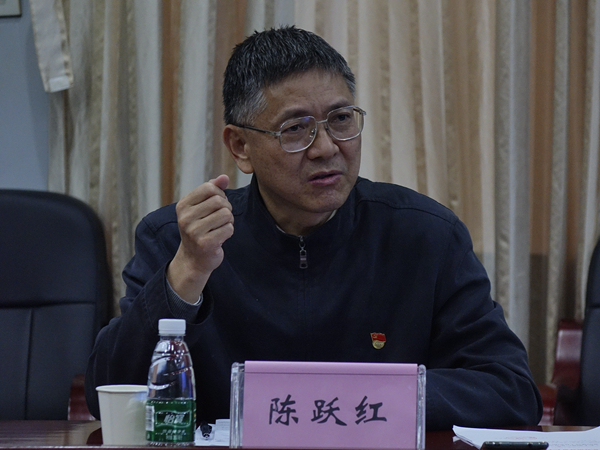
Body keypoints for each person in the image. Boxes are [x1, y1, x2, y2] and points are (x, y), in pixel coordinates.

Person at [85, 26, 542, 430]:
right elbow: (108, 392)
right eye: (295, 129)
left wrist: (359, 401)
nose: (326, 148)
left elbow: (509, 389)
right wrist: (186, 275)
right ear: (240, 146)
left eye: (340, 120)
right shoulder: (176, 239)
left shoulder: (425, 235)